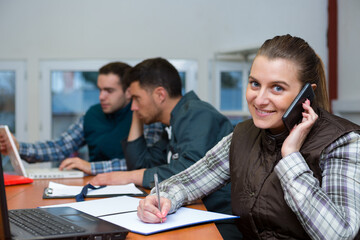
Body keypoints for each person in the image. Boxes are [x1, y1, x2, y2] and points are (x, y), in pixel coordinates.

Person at [137, 35, 360, 240]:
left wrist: (291, 156)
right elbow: (190, 181)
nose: (259, 99)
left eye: (277, 88)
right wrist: (160, 199)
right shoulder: (242, 135)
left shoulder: (344, 141)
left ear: (306, 94)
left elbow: (338, 234)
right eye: (255, 84)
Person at [89, 57, 242, 239]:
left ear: (160, 95)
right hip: (194, 213)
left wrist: (126, 176)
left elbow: (187, 170)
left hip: (221, 222)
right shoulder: (171, 123)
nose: (133, 107)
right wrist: (138, 116)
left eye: (137, 98)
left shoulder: (197, 113)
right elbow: (142, 164)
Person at [0, 62, 163, 175]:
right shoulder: (92, 114)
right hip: (94, 188)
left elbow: (146, 163)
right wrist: (19, 148)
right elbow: (60, 147)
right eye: (99, 89)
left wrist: (91, 167)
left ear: (128, 92)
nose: (101, 96)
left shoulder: (144, 114)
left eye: (109, 91)